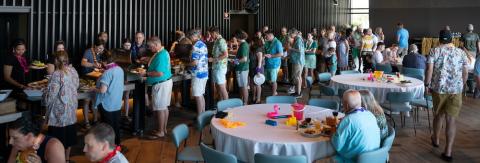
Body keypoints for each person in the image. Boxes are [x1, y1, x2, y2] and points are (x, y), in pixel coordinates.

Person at [425, 30, 468, 162]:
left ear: (440, 39)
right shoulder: (461, 53)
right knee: (451, 120)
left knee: (438, 115)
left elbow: (430, 69)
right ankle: (448, 152)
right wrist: (461, 84)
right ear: (451, 40)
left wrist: (427, 84)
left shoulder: (434, 51)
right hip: (456, 90)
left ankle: (436, 139)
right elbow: (465, 72)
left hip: (439, 89)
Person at [42, 51, 79, 162]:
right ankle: (66, 159)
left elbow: (51, 95)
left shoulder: (56, 74)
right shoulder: (73, 71)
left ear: (56, 60)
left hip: (58, 114)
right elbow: (77, 85)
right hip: (71, 111)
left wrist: (44, 95)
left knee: (58, 140)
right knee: (69, 137)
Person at [332, 90, 380, 162]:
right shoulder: (370, 115)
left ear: (346, 105)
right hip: (375, 158)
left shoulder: (348, 120)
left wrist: (333, 133)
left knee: (330, 158)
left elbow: (337, 146)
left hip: (355, 160)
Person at [141, 36, 173, 139]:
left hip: (161, 84)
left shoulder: (161, 55)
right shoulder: (162, 52)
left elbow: (159, 73)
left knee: (159, 108)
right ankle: (163, 129)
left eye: (150, 47)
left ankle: (160, 131)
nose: (149, 49)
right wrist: (148, 60)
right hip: (165, 82)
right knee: (164, 107)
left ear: (155, 45)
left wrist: (146, 73)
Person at [92, 51, 124, 145]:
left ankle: (109, 148)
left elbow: (102, 90)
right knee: (116, 126)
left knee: (107, 128)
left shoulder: (107, 73)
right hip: (117, 102)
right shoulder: (119, 69)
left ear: (104, 61)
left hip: (107, 104)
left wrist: (94, 88)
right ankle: (117, 145)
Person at [81, 40, 105, 128]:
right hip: (87, 78)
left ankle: (95, 120)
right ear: (95, 46)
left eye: (102, 49)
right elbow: (83, 63)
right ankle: (86, 122)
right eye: (99, 48)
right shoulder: (88, 52)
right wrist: (93, 65)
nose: (100, 50)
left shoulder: (101, 53)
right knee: (86, 100)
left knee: (95, 100)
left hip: (96, 79)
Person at [187, 29, 209, 114]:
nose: (190, 39)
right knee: (201, 94)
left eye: (190, 37)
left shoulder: (195, 46)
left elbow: (194, 62)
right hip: (204, 73)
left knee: (197, 95)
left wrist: (186, 65)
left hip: (197, 74)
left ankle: (200, 116)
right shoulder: (203, 44)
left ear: (193, 37)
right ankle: (203, 114)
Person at [209, 27, 229, 100]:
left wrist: (213, 59)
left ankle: (227, 106)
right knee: (218, 86)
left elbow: (226, 55)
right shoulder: (217, 41)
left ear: (215, 32)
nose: (210, 35)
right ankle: (221, 104)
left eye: (211, 34)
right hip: (216, 67)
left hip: (220, 67)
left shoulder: (221, 41)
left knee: (222, 87)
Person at [264, 30, 284, 96]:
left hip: (274, 64)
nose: (265, 37)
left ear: (270, 35)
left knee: (273, 80)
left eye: (266, 36)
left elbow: (281, 54)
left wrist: (271, 56)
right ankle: (274, 91)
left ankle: (274, 94)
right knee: (268, 80)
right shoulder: (267, 42)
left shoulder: (277, 43)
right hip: (267, 64)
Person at [287, 28, 305, 97]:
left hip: (298, 61)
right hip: (298, 60)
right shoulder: (298, 39)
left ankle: (298, 93)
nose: (290, 35)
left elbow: (299, 50)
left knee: (297, 77)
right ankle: (298, 92)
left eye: (290, 34)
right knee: (298, 77)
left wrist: (291, 48)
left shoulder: (298, 39)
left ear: (294, 33)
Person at [234, 31, 250, 104]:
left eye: (236, 37)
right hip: (241, 68)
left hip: (242, 68)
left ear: (239, 37)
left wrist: (235, 61)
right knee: (241, 86)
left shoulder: (244, 45)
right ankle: (241, 101)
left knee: (244, 87)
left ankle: (245, 103)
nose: (235, 38)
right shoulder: (243, 44)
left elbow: (244, 59)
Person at [249, 36, 264, 104]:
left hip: (257, 68)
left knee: (258, 84)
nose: (250, 43)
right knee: (252, 84)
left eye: (252, 41)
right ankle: (253, 97)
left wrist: (258, 70)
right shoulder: (252, 49)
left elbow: (260, 61)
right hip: (252, 68)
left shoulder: (258, 49)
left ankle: (258, 99)